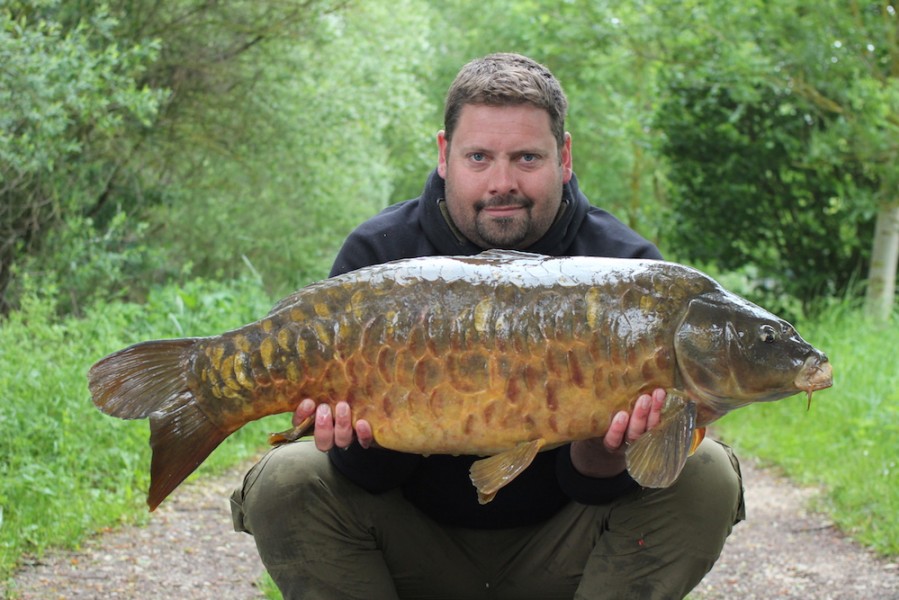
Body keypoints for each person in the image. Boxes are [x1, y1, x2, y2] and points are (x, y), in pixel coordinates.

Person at [230, 52, 744, 600]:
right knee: (287, 477)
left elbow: (595, 486)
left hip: (567, 556)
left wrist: (608, 448)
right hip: (409, 549)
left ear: (564, 157)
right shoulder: (379, 256)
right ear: (444, 156)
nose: (503, 182)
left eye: (527, 158)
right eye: (479, 157)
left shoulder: (627, 273)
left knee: (705, 470)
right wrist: (355, 436)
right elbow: (370, 478)